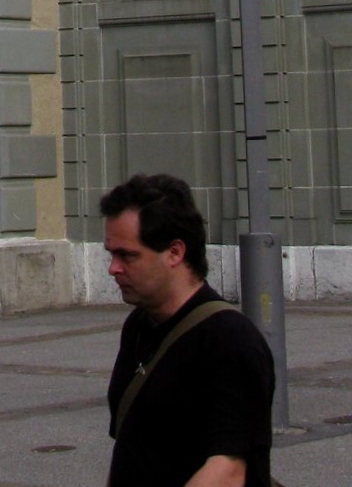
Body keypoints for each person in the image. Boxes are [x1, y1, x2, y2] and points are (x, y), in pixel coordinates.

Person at [102, 173, 274, 487]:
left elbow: (229, 471)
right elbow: (129, 450)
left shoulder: (230, 341)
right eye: (111, 254)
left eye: (127, 255)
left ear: (175, 252)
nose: (113, 268)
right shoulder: (138, 325)